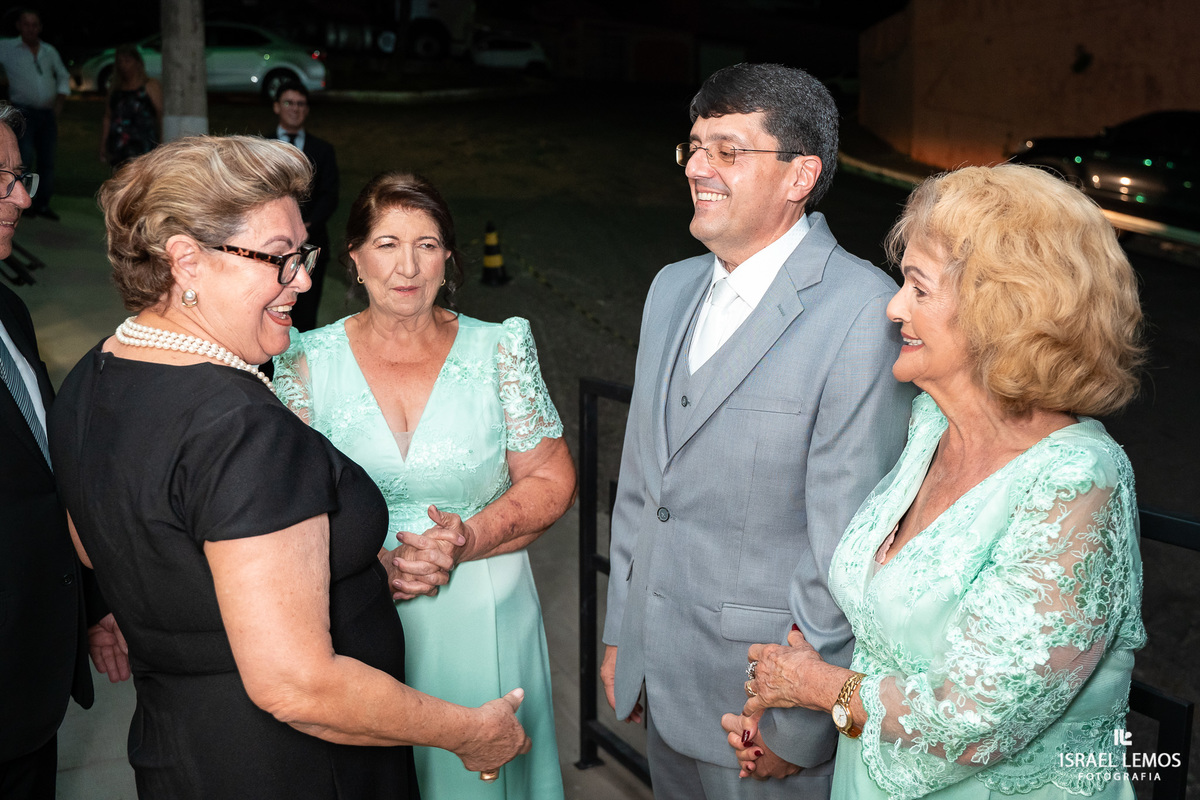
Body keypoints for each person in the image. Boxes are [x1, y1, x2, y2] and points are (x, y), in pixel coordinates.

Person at [48, 135, 531, 800]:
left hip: (178, 750)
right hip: (298, 768)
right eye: (279, 257)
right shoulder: (243, 427)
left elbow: (102, 545)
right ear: (186, 260)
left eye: (303, 255)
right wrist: (470, 731)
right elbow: (297, 684)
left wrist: (339, 568)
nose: (302, 280)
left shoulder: (94, 375)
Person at [735, 164, 1146, 800]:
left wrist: (812, 686)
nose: (894, 307)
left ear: (1002, 315)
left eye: (919, 289)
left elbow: (974, 719)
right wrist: (791, 699)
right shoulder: (930, 425)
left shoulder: (1077, 481)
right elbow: (883, 634)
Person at [601, 62, 915, 799]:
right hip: (659, 675)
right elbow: (643, 484)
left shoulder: (862, 312)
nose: (697, 168)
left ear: (800, 175)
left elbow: (843, 546)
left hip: (758, 708)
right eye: (693, 148)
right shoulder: (670, 287)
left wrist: (796, 727)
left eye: (728, 151)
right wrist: (624, 636)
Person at [274, 171, 576, 799]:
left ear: (448, 259)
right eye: (386, 244)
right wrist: (365, 564)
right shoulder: (304, 360)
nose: (407, 266)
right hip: (357, 614)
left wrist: (468, 538)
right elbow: (284, 503)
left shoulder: (500, 349)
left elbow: (550, 475)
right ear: (355, 259)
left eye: (427, 245)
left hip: (484, 608)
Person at [0, 101, 128, 800]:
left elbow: (46, 477)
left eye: (22, 178)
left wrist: (89, 602)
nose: (21, 198)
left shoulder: (10, 310)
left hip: (30, 681)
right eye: (2, 180)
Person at [267, 80, 338, 331]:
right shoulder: (261, 147)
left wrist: (307, 226)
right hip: (268, 247)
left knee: (306, 314)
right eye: (289, 103)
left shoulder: (323, 150)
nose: (295, 109)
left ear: (306, 110)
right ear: (277, 106)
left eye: (300, 104)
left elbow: (330, 194)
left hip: (312, 242)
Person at [0, 9, 68, 220]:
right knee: (24, 159)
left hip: (47, 114)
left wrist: (59, 104)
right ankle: (22, 204)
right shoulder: (8, 47)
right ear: (19, 26)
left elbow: (63, 76)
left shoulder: (49, 50)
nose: (31, 29)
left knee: (47, 161)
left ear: (40, 27)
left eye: (35, 25)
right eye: (26, 24)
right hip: (23, 113)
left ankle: (43, 204)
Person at [99, 44, 162, 170]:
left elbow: (160, 113)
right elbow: (108, 116)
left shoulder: (149, 86)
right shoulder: (115, 88)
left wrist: (161, 140)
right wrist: (103, 143)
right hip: (119, 143)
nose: (123, 66)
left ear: (137, 62)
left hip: (142, 144)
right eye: (120, 62)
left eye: (127, 61)